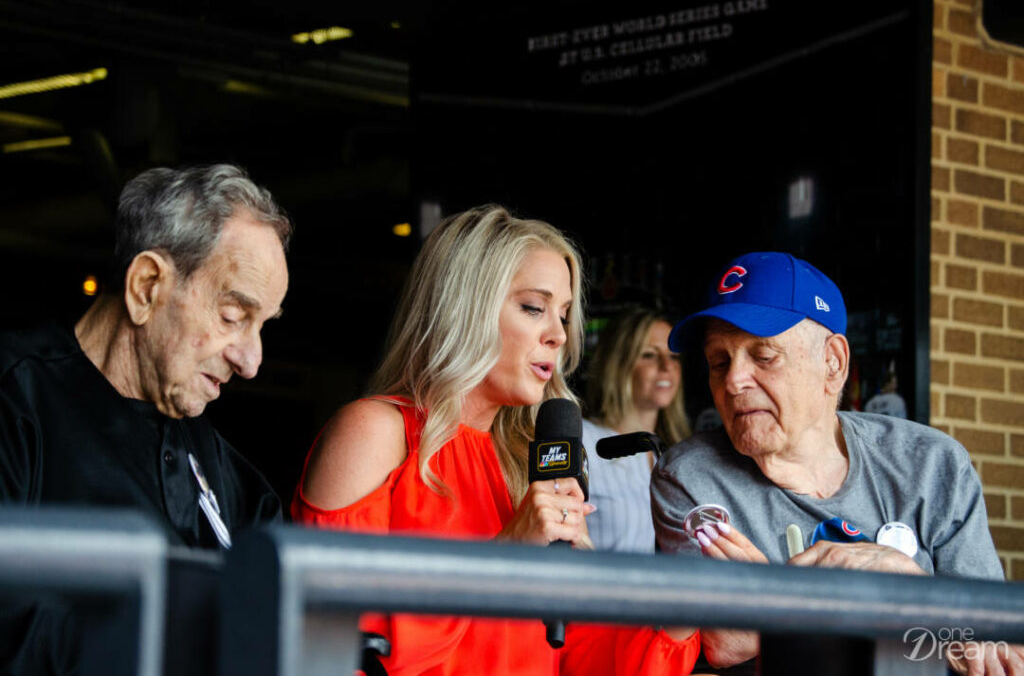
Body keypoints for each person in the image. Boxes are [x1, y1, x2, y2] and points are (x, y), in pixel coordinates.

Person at [293, 205, 700, 676]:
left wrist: (681, 610)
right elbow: (330, 641)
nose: (559, 335)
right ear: (465, 306)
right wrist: (505, 559)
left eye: (565, 315)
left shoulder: (532, 461)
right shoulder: (376, 433)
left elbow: (573, 656)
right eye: (534, 307)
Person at [650, 251, 1023, 675]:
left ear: (833, 363)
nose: (733, 381)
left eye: (764, 355)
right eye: (719, 362)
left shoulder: (933, 466)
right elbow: (723, 639)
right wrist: (900, 603)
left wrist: (906, 580)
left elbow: (996, 649)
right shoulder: (690, 477)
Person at [0, 164, 290, 672]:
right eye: (232, 316)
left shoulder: (217, 462)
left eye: (262, 326)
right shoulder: (17, 402)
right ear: (147, 287)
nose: (251, 360)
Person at [582, 308, 690, 552]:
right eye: (650, 355)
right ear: (620, 364)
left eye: (674, 357)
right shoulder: (585, 440)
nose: (666, 366)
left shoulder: (678, 455)